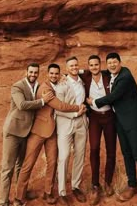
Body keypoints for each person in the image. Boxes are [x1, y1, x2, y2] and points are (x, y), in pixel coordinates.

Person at [87, 53, 137, 206]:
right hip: (120, 120)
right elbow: (95, 71)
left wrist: (94, 101)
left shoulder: (125, 76)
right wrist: (78, 71)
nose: (112, 65)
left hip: (133, 121)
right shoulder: (110, 73)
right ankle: (132, 186)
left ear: (120, 62)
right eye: (109, 62)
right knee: (126, 153)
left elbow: (113, 96)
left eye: (115, 62)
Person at [14, 63, 86, 206]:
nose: (54, 75)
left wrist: (67, 75)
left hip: (53, 131)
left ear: (59, 74)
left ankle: (48, 193)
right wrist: (78, 107)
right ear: (47, 74)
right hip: (39, 131)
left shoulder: (60, 82)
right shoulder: (45, 89)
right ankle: (19, 197)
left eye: (56, 73)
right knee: (28, 164)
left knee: (52, 163)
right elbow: (59, 106)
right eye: (51, 73)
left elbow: (77, 73)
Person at [0, 62, 53, 206]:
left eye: (35, 72)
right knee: (7, 168)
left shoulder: (37, 86)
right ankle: (3, 201)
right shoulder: (18, 86)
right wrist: (42, 101)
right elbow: (22, 105)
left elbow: (52, 81)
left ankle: (21, 193)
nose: (33, 75)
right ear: (26, 72)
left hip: (26, 132)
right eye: (31, 72)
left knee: (21, 165)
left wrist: (64, 77)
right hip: (13, 131)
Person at [80, 55, 116, 205]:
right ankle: (95, 185)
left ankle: (107, 182)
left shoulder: (108, 75)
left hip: (109, 118)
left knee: (111, 150)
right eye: (91, 65)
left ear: (100, 65)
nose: (94, 67)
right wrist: (63, 76)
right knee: (94, 148)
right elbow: (73, 72)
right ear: (88, 66)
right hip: (94, 118)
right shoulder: (86, 76)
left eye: (96, 65)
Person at [55, 56, 88, 206]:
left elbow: (86, 70)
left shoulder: (82, 80)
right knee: (64, 156)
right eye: (71, 66)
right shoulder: (61, 85)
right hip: (65, 123)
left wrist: (81, 116)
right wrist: (75, 113)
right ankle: (62, 192)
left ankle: (75, 186)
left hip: (81, 123)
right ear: (66, 68)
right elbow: (58, 108)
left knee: (80, 154)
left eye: (76, 65)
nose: (74, 68)